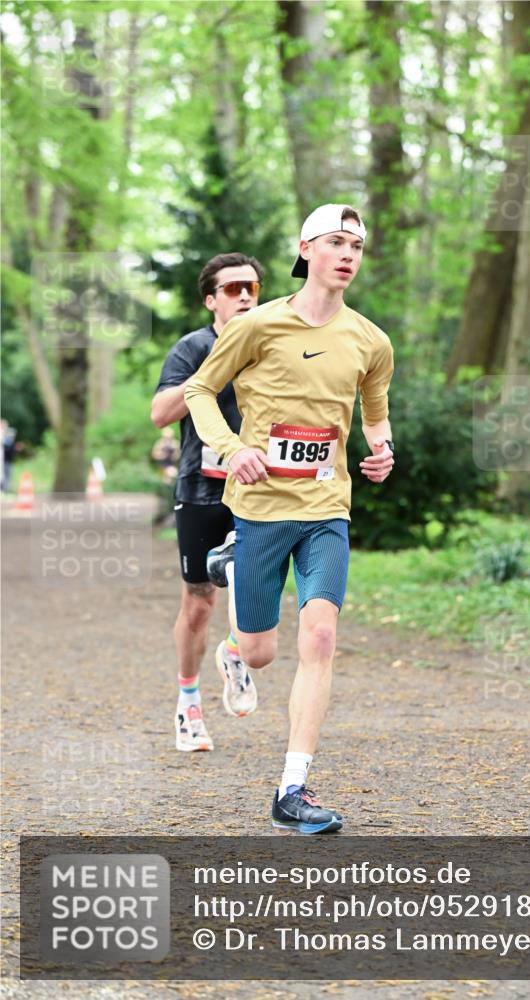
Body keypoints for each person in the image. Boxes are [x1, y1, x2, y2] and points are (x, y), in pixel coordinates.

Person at [185, 205, 394, 833]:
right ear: (305, 248)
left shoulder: (370, 340)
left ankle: (292, 789)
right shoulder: (259, 325)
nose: (347, 253)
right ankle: (233, 638)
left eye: (356, 244)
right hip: (262, 509)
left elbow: (374, 414)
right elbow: (200, 390)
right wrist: (233, 448)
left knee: (321, 637)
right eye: (335, 241)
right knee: (262, 651)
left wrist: (382, 451)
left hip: (326, 507)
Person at [151, 252, 264, 753]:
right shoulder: (193, 347)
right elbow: (159, 413)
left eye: (252, 289)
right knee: (200, 602)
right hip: (202, 487)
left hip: (262, 487)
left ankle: (236, 651)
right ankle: (188, 704)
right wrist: (210, 375)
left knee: (259, 586)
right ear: (211, 299)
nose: (244, 296)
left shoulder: (273, 344)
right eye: (234, 288)